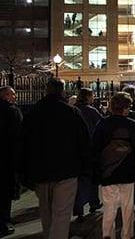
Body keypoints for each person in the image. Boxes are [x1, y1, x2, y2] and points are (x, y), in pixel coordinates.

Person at [20, 79, 91, 239]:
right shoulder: (71, 113)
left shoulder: (33, 113)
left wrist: (24, 171)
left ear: (46, 90)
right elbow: (84, 142)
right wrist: (85, 168)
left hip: (40, 170)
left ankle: (49, 235)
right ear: (62, 91)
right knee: (62, 213)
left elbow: (23, 143)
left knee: (46, 212)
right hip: (67, 170)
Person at [92, 93, 135, 239]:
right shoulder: (131, 124)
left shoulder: (102, 124)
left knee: (109, 206)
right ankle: (127, 234)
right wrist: (134, 163)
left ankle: (107, 234)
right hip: (127, 170)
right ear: (125, 108)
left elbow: (95, 148)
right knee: (127, 206)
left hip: (108, 171)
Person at [73, 88, 103, 219]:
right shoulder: (91, 111)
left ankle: (78, 207)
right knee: (92, 177)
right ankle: (93, 202)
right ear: (88, 97)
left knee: (78, 179)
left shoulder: (73, 110)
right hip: (90, 147)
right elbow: (101, 124)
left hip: (75, 148)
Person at [0, 86, 22, 237]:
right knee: (5, 192)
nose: (15, 97)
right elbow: (18, 136)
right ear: (6, 96)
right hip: (6, 158)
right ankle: (4, 222)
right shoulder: (12, 111)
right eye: (13, 94)